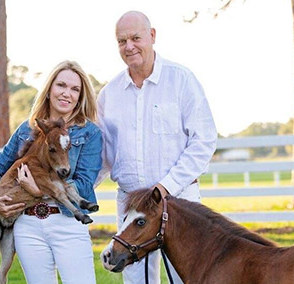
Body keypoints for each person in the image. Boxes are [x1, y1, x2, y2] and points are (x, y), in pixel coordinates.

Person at [97, 11, 217, 284]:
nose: (129, 46)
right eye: (121, 41)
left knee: (186, 278)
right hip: (131, 208)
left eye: (135, 38)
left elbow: (204, 140)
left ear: (152, 36)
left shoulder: (181, 80)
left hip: (180, 203)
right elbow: (103, 158)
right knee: (137, 281)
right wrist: (72, 193)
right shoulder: (109, 94)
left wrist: (165, 187)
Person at [0, 60, 102, 284]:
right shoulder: (27, 129)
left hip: (67, 224)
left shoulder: (89, 133)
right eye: (61, 85)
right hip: (28, 225)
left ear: (81, 96)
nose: (67, 94)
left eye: (75, 89)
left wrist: (39, 190)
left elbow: (84, 184)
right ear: (49, 90)